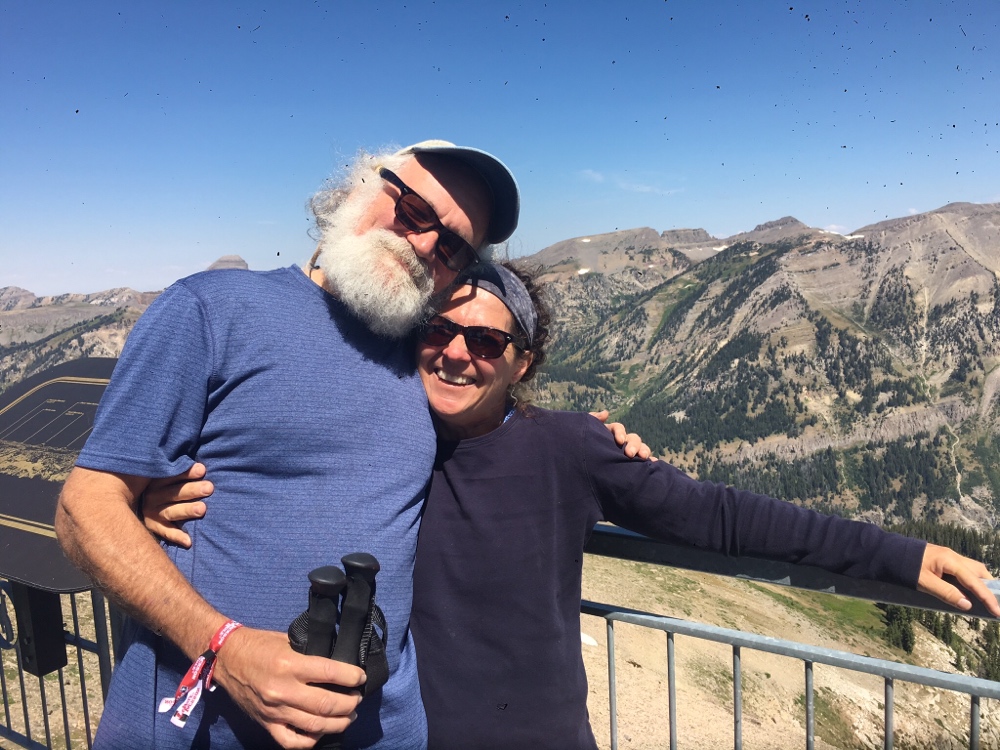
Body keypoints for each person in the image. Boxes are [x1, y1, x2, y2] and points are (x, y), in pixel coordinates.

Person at [147, 260, 1000, 750]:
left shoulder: (571, 447)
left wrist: (905, 556)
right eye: (437, 331)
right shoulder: (370, 436)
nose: (455, 354)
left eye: (486, 341)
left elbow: (722, 517)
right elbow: (251, 465)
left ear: (522, 361)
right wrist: (155, 499)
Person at [54, 140, 523, 750]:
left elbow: (500, 421)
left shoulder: (432, 358)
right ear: (357, 188)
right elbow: (85, 508)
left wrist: (601, 437)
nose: (425, 243)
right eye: (413, 209)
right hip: (196, 728)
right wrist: (224, 648)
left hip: (383, 731)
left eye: (454, 246)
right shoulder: (210, 309)